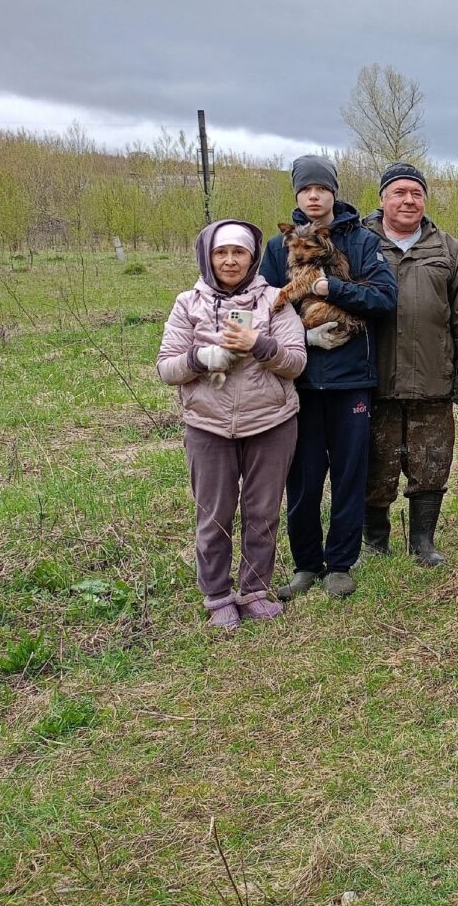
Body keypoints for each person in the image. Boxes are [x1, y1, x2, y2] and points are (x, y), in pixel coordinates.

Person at [158, 221, 307, 629]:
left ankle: (255, 590)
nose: (229, 260)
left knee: (262, 512)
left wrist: (258, 345)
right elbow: (166, 367)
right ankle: (218, 594)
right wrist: (200, 359)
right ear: (207, 256)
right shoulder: (188, 303)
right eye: (221, 253)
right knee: (214, 513)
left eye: (238, 253)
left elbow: (296, 361)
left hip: (271, 423)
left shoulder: (276, 300)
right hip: (208, 426)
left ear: (252, 257)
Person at [261, 155, 397, 601]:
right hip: (297, 380)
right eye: (306, 189)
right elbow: (263, 304)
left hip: (350, 378)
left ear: (333, 192)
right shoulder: (277, 246)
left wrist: (329, 289)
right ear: (297, 195)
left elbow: (383, 299)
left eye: (321, 188)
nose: (314, 196)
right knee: (302, 476)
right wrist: (303, 335)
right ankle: (305, 564)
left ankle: (341, 563)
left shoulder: (361, 241)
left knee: (349, 472)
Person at [361, 162, 458, 567]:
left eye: (416, 193)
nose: (408, 200)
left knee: (431, 462)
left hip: (433, 380)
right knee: (374, 465)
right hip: (373, 380)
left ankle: (423, 542)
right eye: (399, 192)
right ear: (382, 199)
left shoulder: (447, 248)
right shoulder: (361, 244)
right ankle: (374, 541)